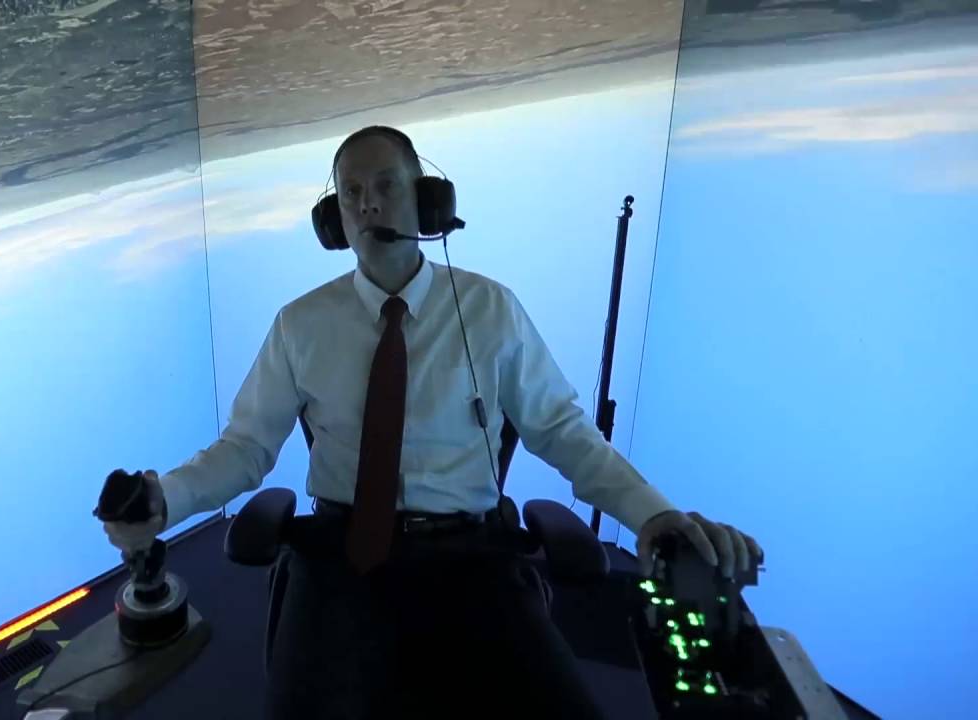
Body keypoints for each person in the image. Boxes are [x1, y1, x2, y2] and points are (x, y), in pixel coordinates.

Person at [103, 125, 765, 719]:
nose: (368, 205)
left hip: (472, 559)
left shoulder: (490, 309)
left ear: (427, 199)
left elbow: (561, 430)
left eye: (386, 185)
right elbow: (246, 447)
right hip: (339, 560)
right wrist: (166, 500)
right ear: (334, 219)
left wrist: (651, 514)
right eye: (351, 192)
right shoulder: (299, 325)